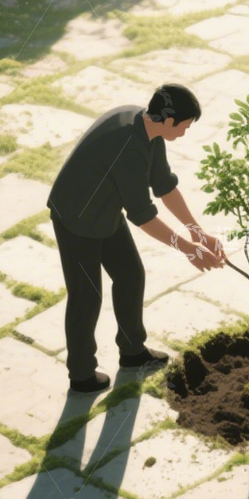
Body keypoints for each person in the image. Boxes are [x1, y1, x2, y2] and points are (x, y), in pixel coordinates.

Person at [47, 83, 225, 393]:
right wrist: (188, 249)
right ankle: (81, 374)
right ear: (169, 120)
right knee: (87, 297)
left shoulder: (148, 129)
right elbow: (143, 216)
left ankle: (132, 351)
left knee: (130, 275)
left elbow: (164, 186)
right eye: (184, 126)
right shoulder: (129, 147)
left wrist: (199, 234)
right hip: (76, 218)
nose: (185, 132)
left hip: (105, 210)